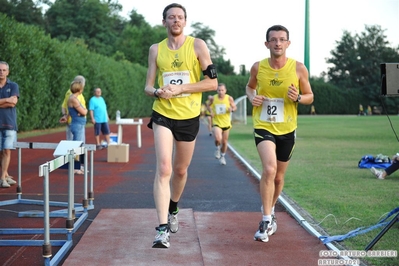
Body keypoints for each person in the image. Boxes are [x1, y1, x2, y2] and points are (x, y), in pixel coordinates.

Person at [144, 3, 218, 248]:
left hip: (188, 117)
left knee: (180, 170)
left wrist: (181, 88)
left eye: (179, 17)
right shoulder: (156, 49)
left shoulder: (197, 45)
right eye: (171, 17)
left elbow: (212, 84)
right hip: (163, 114)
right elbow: (148, 86)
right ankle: (162, 228)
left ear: (185, 22)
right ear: (164, 21)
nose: (175, 20)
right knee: (163, 168)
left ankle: (173, 207)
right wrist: (158, 92)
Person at [245, 25, 314, 243]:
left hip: (287, 129)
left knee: (278, 177)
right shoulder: (258, 67)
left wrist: (298, 98)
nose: (277, 43)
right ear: (266, 44)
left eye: (281, 39)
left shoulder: (299, 69)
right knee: (269, 168)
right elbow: (250, 88)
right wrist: (251, 97)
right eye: (273, 40)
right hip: (264, 125)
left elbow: (310, 95)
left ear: (288, 43)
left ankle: (271, 210)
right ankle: (265, 220)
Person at [0, 61, 19, 188]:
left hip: (10, 123)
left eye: (3, 70)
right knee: (0, 152)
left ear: (8, 72)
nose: (1, 73)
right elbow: (10, 101)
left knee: (7, 150)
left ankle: (2, 178)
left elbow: (13, 103)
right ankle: (5, 174)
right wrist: (7, 99)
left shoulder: (13, 85)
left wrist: (5, 101)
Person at [209, 83, 236, 165]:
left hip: (226, 123)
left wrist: (231, 109)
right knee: (218, 138)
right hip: (217, 122)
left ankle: (223, 156)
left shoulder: (229, 98)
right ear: (217, 90)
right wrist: (211, 112)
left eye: (222, 90)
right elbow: (208, 106)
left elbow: (234, 107)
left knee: (224, 142)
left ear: (225, 91)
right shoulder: (213, 98)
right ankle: (217, 148)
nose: (220, 92)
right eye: (219, 90)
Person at [67, 76, 88, 175]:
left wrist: (82, 112)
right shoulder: (73, 99)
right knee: (77, 147)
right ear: (79, 89)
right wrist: (83, 112)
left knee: (80, 146)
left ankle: (78, 166)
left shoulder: (74, 98)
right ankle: (75, 168)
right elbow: (84, 111)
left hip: (79, 124)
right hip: (77, 124)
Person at [60, 75, 87, 141]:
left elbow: (64, 106)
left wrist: (65, 115)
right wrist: (84, 111)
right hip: (75, 121)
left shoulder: (74, 94)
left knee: (76, 144)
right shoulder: (73, 96)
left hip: (77, 121)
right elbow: (83, 111)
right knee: (76, 145)